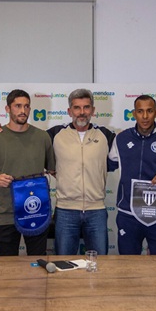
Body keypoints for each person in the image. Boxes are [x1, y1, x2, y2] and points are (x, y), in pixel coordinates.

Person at [0, 89, 55, 256]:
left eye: (26, 106)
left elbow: (53, 170)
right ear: (8, 109)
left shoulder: (43, 137)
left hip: (36, 211)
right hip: (6, 213)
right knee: (7, 265)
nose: (23, 110)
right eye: (18, 106)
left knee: (37, 262)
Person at [108, 95, 156, 254]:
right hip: (128, 213)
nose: (145, 116)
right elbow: (106, 165)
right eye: (140, 111)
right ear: (134, 113)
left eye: (149, 111)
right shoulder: (121, 139)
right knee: (128, 264)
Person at [47, 88, 116, 255]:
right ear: (69, 111)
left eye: (86, 107)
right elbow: (28, 141)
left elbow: (133, 146)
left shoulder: (106, 135)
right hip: (65, 210)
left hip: (96, 210)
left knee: (99, 263)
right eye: (77, 108)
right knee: (64, 262)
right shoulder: (55, 134)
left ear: (93, 110)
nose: (82, 112)